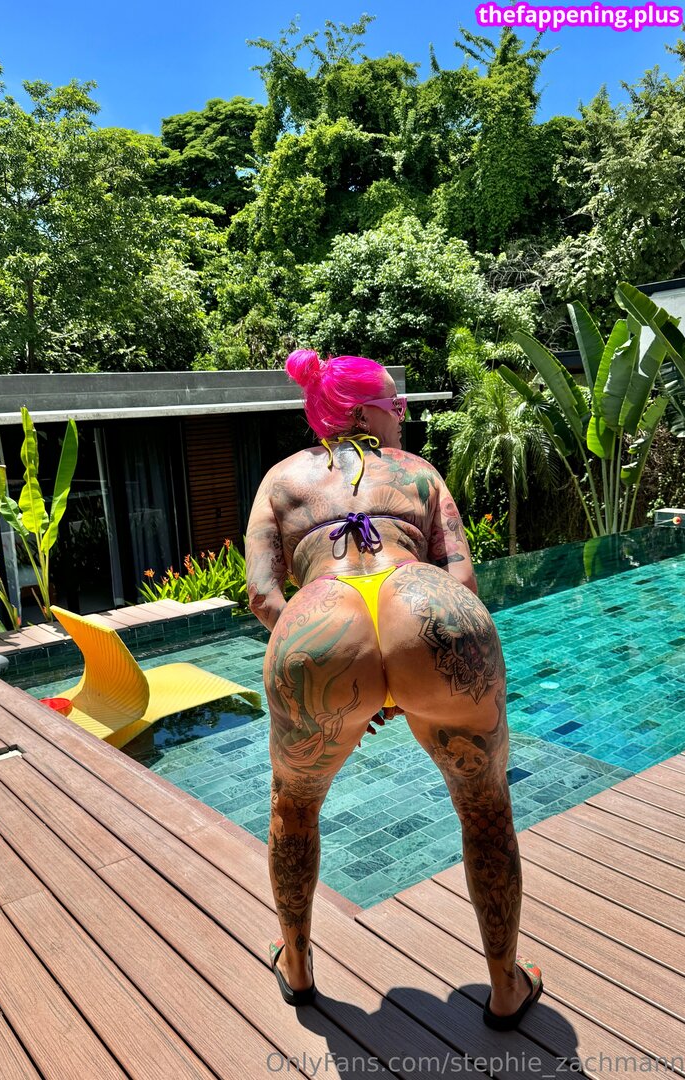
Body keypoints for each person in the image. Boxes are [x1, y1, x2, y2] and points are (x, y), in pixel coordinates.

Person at [245, 349, 542, 1027]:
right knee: (485, 806)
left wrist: (355, 674)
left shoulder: (281, 479)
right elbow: (460, 581)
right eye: (395, 403)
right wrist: (403, 677)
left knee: (295, 806)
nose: (402, 415)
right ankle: (505, 987)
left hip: (322, 620)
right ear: (360, 413)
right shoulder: (416, 472)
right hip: (424, 604)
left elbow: (263, 596)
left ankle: (296, 967)